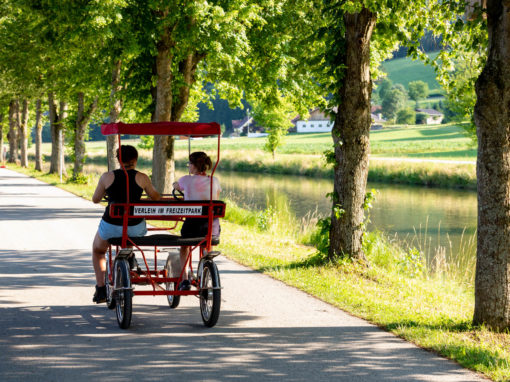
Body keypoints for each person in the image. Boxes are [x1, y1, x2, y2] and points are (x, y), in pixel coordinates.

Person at [91, 145, 160, 303]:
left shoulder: (106, 177)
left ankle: (101, 288)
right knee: (129, 234)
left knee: (98, 251)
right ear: (135, 160)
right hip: (135, 227)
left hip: (111, 226)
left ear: (118, 160)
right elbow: (155, 197)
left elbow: (95, 199)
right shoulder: (142, 177)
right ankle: (128, 256)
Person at [172, 151, 221, 290]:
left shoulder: (186, 180)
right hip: (211, 227)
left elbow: (176, 186)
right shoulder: (214, 180)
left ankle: (185, 279)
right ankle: (206, 258)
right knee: (205, 241)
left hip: (192, 226)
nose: (188, 166)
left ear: (194, 166)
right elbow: (215, 198)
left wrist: (176, 184)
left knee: (184, 246)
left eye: (189, 164)